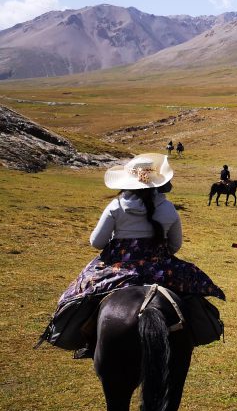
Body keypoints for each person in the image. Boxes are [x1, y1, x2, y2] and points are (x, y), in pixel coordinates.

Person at [41, 153, 225, 358]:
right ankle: (195, 335)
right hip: (160, 267)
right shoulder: (168, 208)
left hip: (119, 266)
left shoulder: (116, 206)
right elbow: (175, 245)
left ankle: (80, 338)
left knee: (80, 290)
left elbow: (96, 242)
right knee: (192, 294)